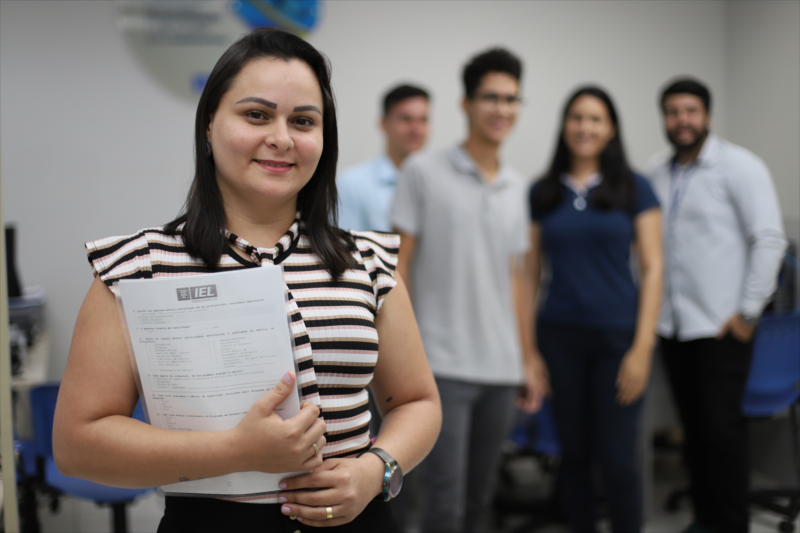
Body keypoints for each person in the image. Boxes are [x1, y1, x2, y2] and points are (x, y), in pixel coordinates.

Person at [52, 28, 441, 533]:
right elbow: (77, 445)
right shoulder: (137, 267)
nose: (281, 138)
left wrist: (374, 472)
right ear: (209, 124)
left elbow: (417, 402)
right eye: (257, 115)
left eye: (303, 121)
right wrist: (235, 451)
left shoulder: (367, 260)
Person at [390, 47, 544, 533]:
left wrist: (528, 358)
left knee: (480, 503)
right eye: (491, 97)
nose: (502, 109)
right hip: (442, 365)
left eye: (511, 99)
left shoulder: (519, 187)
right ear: (466, 104)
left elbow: (517, 279)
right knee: (443, 504)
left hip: (501, 367)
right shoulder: (423, 172)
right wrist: (402, 352)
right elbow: (399, 267)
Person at [648, 78, 786, 533]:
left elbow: (769, 240)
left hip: (722, 328)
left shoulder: (740, 167)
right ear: (664, 119)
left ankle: (729, 525)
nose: (681, 120)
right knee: (693, 431)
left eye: (690, 111)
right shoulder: (656, 173)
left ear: (706, 115)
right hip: (673, 326)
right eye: (673, 112)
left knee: (722, 433)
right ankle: (705, 519)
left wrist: (748, 312)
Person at [526, 86, 663, 532]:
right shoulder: (543, 191)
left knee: (618, 460)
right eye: (577, 118)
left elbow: (653, 267)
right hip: (558, 337)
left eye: (596, 119)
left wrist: (642, 348)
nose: (585, 127)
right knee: (574, 456)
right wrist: (529, 352)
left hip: (618, 339)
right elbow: (529, 275)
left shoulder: (635, 187)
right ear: (565, 126)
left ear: (611, 129)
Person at [338, 84, 430, 232]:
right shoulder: (351, 185)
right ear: (384, 123)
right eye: (406, 119)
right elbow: (342, 245)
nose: (416, 129)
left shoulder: (437, 184)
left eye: (423, 120)